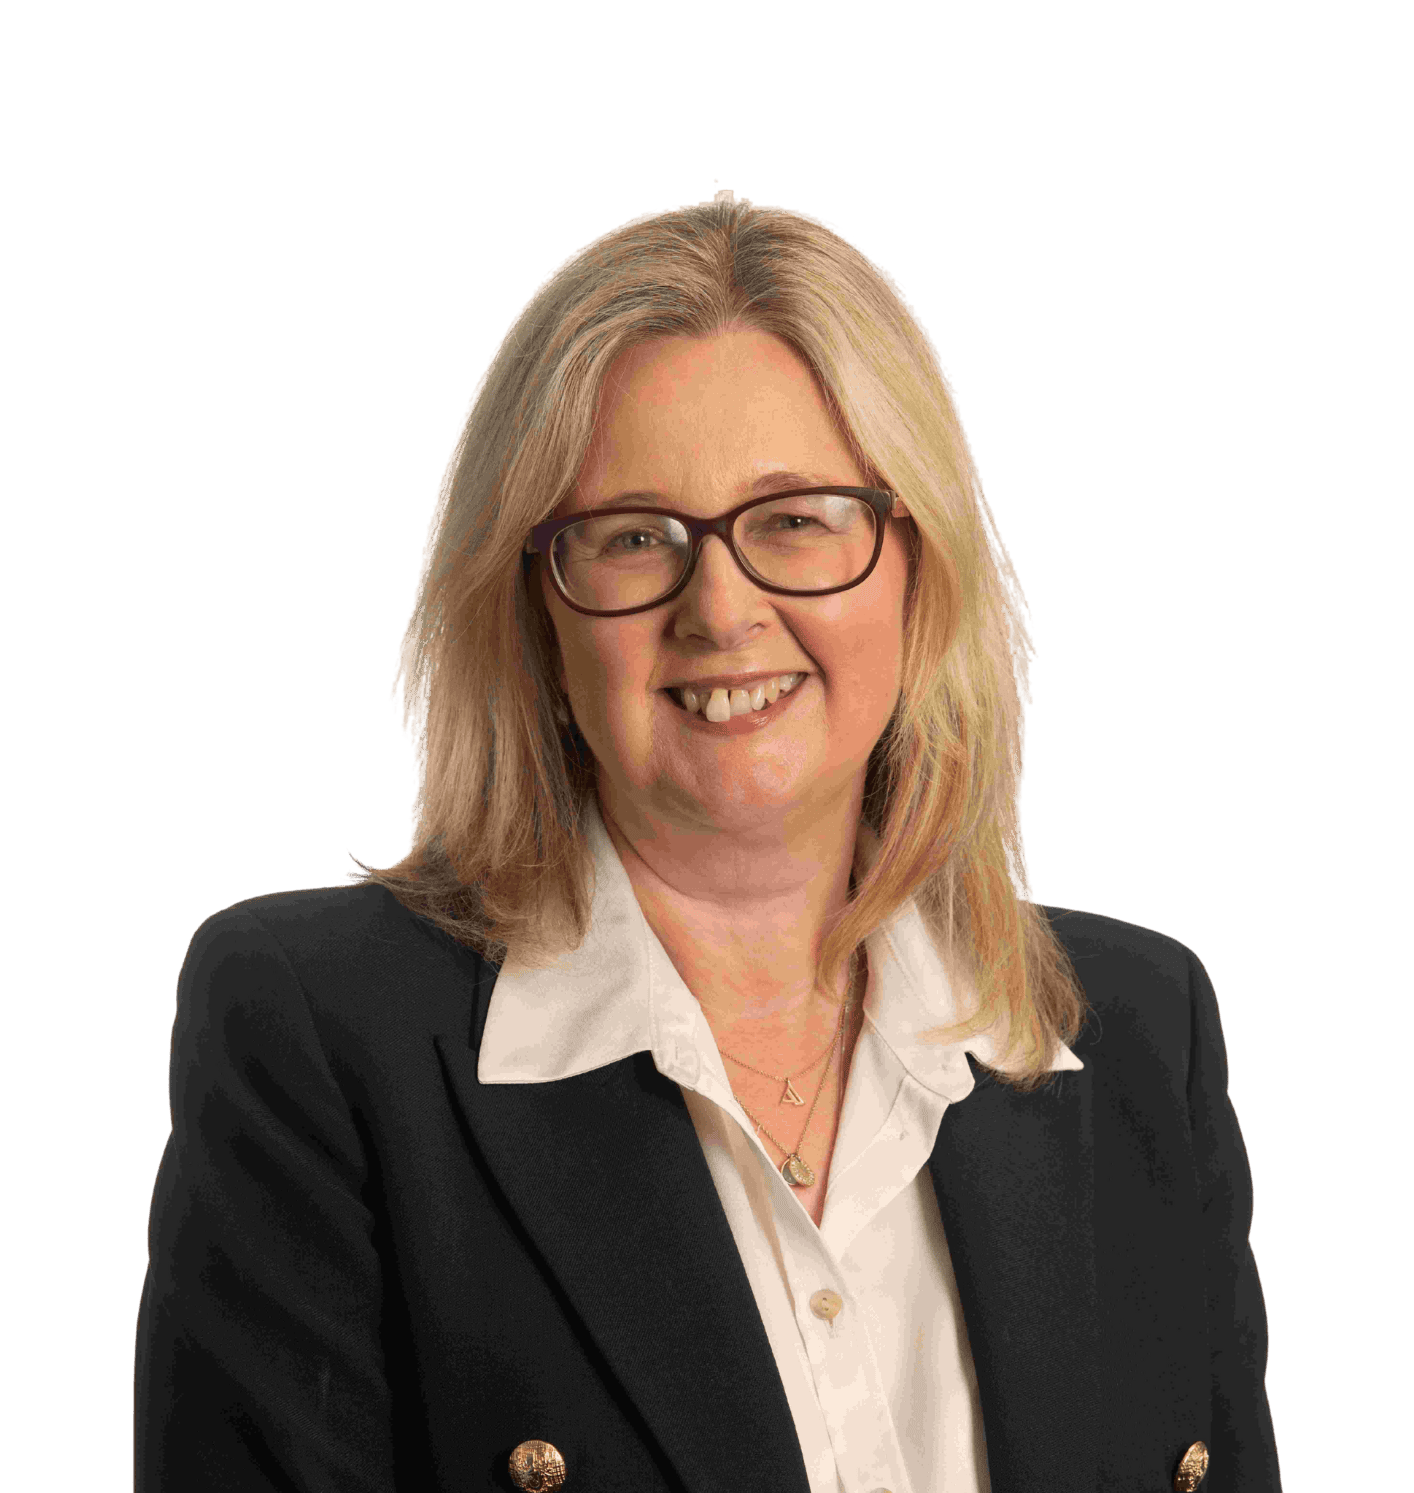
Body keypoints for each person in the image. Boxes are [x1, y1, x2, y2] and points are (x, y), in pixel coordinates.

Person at [133, 192, 1282, 1493]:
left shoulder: (1134, 1035)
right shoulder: (324, 1035)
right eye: (633, 540)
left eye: (795, 520)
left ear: (919, 566)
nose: (721, 609)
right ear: (533, 615)